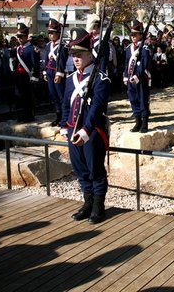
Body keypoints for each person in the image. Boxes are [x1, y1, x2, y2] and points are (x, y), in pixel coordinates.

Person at [60, 27, 111, 224]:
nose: (76, 58)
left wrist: (85, 131)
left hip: (92, 132)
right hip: (73, 131)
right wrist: (66, 126)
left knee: (95, 170)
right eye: (73, 55)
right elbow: (66, 105)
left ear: (90, 54)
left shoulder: (100, 79)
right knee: (80, 170)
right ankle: (87, 202)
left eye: (79, 54)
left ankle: (98, 206)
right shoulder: (71, 79)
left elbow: (96, 109)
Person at [123, 19, 151, 133]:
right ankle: (137, 121)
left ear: (140, 35)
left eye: (135, 35)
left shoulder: (145, 47)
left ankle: (144, 123)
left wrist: (137, 76)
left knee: (142, 99)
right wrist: (125, 76)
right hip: (130, 78)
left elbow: (144, 63)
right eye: (131, 35)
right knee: (133, 99)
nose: (133, 37)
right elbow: (126, 62)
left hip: (141, 78)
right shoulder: (129, 48)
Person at [43, 17, 68, 126]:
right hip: (49, 72)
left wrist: (59, 74)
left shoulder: (62, 46)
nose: (50, 35)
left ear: (58, 33)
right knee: (53, 96)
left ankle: (64, 117)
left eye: (52, 33)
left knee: (60, 96)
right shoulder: (49, 45)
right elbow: (46, 59)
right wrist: (45, 71)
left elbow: (62, 61)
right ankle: (58, 116)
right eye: (49, 33)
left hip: (58, 73)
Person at [14, 23, 40, 122]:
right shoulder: (18, 48)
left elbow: (35, 64)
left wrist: (34, 76)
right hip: (19, 76)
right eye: (18, 37)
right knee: (19, 96)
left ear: (26, 36)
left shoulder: (31, 49)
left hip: (27, 76)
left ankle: (29, 116)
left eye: (21, 36)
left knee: (28, 97)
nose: (19, 39)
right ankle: (22, 115)